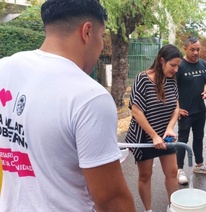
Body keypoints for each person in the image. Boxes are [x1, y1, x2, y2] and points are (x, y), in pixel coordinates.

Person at [0, 0, 136, 211]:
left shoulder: (4, 68)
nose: (101, 47)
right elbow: (111, 201)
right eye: (102, 37)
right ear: (87, 32)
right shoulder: (89, 97)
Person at [125, 44, 182, 212]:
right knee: (145, 175)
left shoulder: (171, 79)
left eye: (178, 66)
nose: (176, 69)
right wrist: (154, 136)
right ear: (161, 61)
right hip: (145, 136)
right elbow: (136, 111)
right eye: (173, 65)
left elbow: (176, 108)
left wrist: (170, 128)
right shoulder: (142, 78)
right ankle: (148, 210)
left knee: (172, 172)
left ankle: (173, 207)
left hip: (165, 136)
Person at [175, 36, 206, 185]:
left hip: (200, 110)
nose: (196, 52)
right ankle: (179, 169)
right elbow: (172, 90)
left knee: (199, 138)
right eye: (192, 49)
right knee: (182, 140)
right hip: (185, 112)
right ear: (185, 48)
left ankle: (199, 165)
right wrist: (177, 108)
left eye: (198, 49)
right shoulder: (179, 66)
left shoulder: (204, 65)